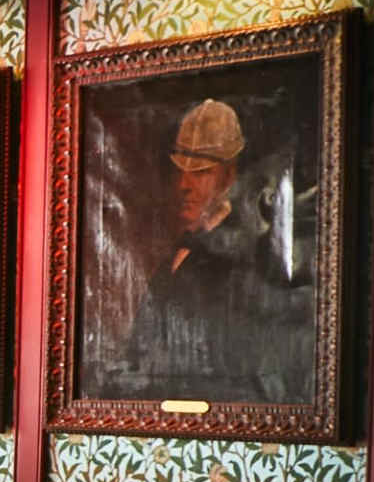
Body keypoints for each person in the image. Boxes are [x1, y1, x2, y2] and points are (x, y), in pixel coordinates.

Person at [114, 97, 308, 403]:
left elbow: (253, 375)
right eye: (180, 171)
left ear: (229, 177)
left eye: (201, 172)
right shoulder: (178, 253)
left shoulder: (249, 262)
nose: (184, 185)